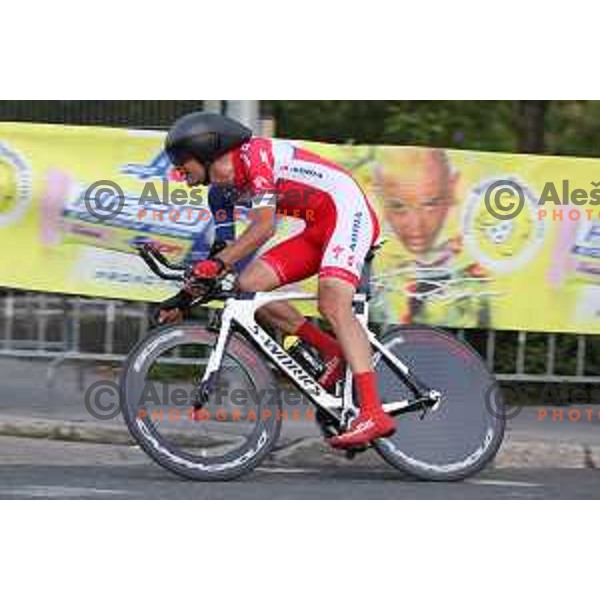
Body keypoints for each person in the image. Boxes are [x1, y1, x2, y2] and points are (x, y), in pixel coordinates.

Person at [159, 111, 396, 449]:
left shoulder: (255, 156)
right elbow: (222, 255)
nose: (181, 176)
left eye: (184, 167)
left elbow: (264, 227)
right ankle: (331, 351)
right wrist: (183, 298)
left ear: (206, 151)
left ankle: (373, 412)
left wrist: (219, 264)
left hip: (347, 211)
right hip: (317, 228)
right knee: (247, 286)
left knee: (332, 300)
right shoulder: (219, 195)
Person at [373, 147, 491, 327]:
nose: (416, 225)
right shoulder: (374, 266)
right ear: (379, 196)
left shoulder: (475, 271)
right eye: (398, 206)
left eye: (430, 204)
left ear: (452, 188)